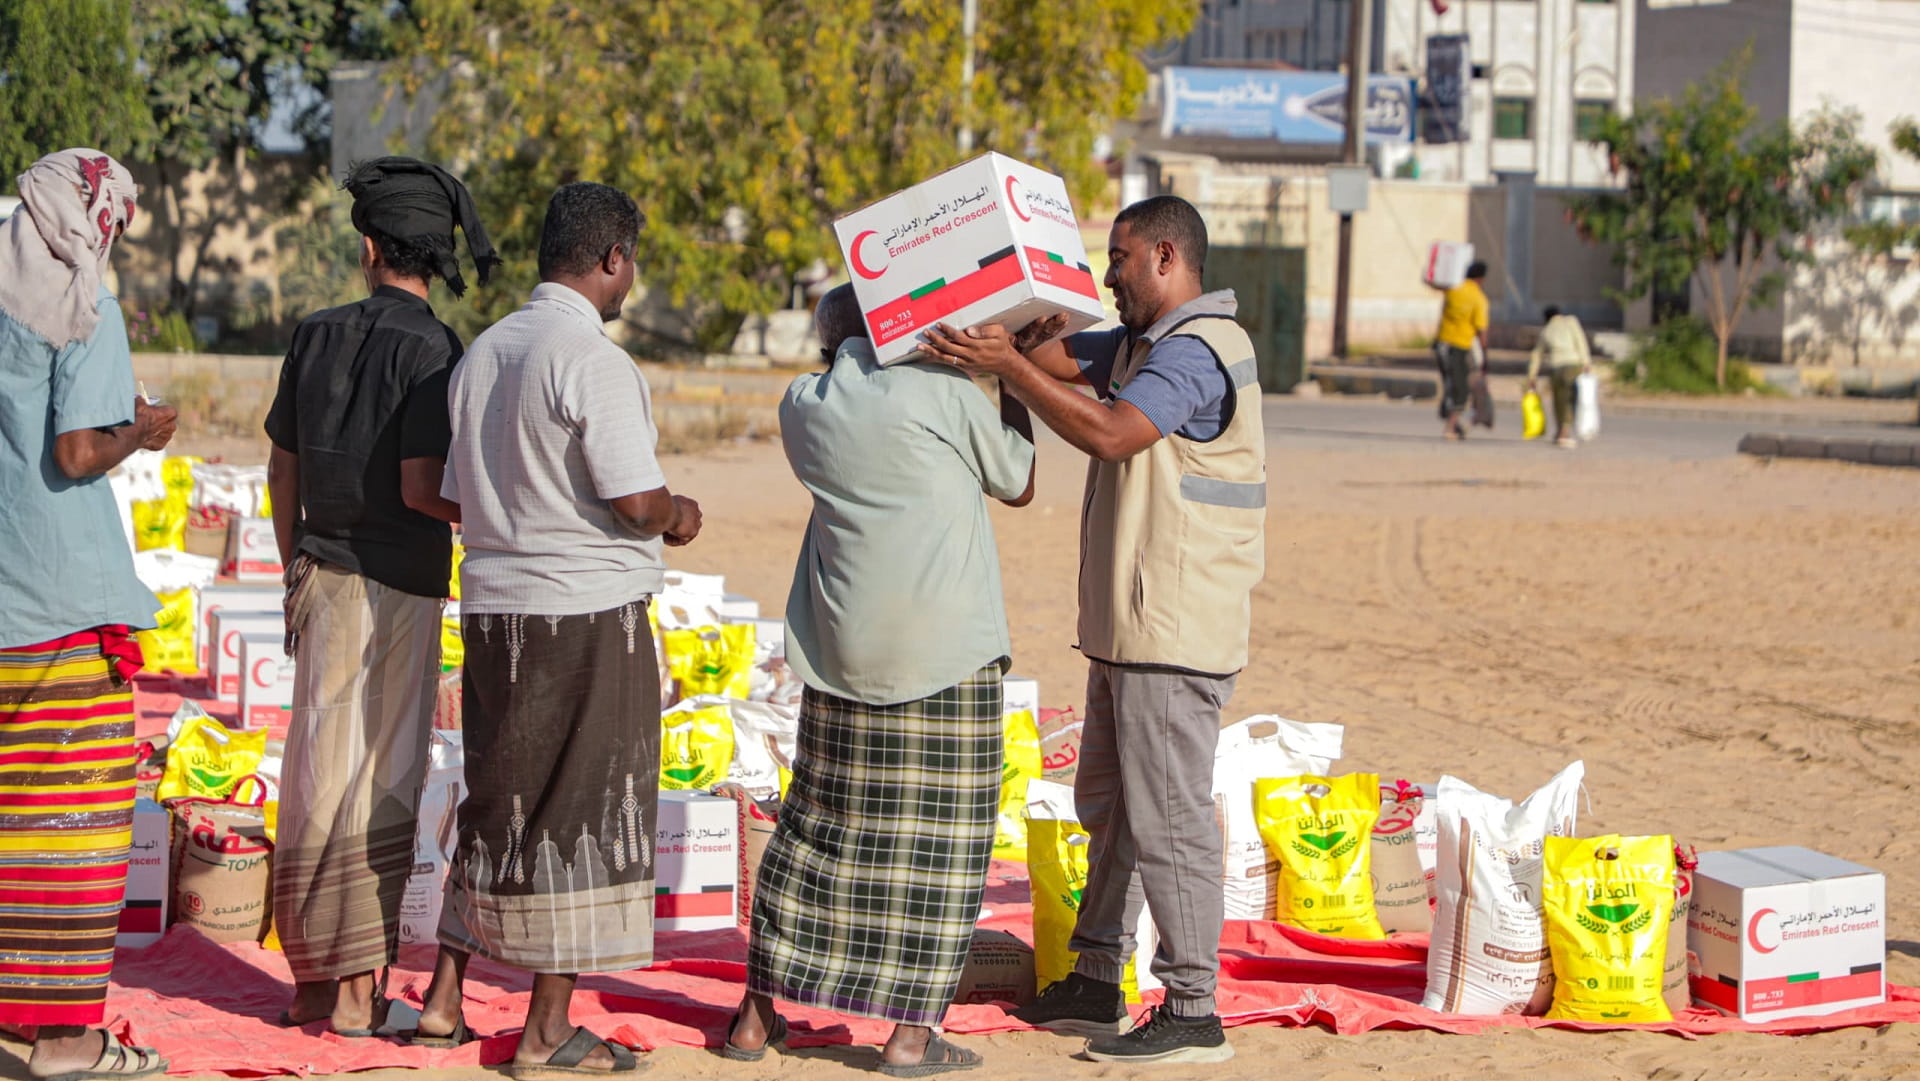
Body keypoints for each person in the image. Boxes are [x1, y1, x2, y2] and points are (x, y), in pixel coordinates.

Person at [917, 195, 1264, 1065]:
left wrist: (1014, 368)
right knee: (1112, 808)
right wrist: (1009, 334)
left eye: (1117, 259)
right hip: (1131, 625)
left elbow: (1112, 434)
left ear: (1165, 257)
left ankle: (1194, 1008)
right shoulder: (1139, 343)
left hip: (1176, 627)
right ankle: (1097, 975)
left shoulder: (1194, 353)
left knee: (1170, 817)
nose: (1105, 275)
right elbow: (1050, 359)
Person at [413, 182, 701, 1078]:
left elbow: (453, 495)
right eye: (632, 262)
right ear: (613, 258)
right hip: (583, 617)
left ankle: (443, 997)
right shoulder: (592, 358)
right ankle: (545, 1030)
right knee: (585, 807)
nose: (631, 278)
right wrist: (680, 511)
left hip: (496, 608)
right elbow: (633, 497)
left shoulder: (487, 351)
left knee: (497, 798)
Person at [723, 285, 1036, 1076]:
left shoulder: (804, 405)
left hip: (840, 653)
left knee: (816, 831)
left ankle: (756, 1016)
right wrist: (1012, 366)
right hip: (944, 652)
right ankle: (909, 1035)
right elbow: (1019, 477)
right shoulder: (942, 389)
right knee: (943, 846)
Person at [264, 156, 498, 1036]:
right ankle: (360, 994)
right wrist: (492, 514)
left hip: (321, 578)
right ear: (430, 260)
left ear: (368, 247)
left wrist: (298, 559)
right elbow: (417, 485)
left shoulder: (314, 332)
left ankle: (309, 986)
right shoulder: (436, 348)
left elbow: (282, 464)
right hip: (400, 588)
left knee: (315, 772)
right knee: (380, 776)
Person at [0, 149, 175, 1080]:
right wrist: (137, 431)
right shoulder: (82, 306)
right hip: (59, 603)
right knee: (72, 828)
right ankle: (64, 1039)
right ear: (94, 220)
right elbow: (74, 451)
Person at [1434, 261, 1489, 441]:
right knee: (1461, 388)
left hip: (1441, 344)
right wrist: (1485, 355)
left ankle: (1454, 421)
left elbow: (1435, 284)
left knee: (1451, 383)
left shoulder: (1454, 289)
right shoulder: (1478, 298)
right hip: (1459, 346)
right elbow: (1481, 331)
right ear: (1481, 279)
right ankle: (1450, 427)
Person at [1527, 305, 1591, 448]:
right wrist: (1586, 362)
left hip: (1556, 367)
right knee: (1570, 399)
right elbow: (1580, 341)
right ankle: (1564, 431)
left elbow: (1537, 355)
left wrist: (1532, 376)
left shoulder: (1546, 330)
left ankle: (1559, 430)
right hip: (1573, 365)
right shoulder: (1571, 322)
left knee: (1559, 400)